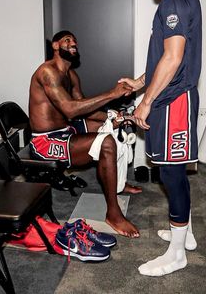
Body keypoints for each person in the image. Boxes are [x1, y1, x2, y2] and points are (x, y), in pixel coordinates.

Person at [119, 0, 202, 274]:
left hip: (173, 101)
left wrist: (146, 102)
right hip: (172, 95)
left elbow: (173, 58)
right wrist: (140, 82)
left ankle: (177, 254)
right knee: (173, 173)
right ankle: (188, 235)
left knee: (171, 173)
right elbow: (165, 57)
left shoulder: (174, 2)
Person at [29, 30, 140, 238]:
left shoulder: (70, 74)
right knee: (106, 143)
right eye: (67, 40)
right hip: (46, 142)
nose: (73, 44)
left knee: (110, 126)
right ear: (55, 46)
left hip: (66, 131)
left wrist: (114, 115)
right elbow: (70, 109)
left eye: (75, 41)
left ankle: (118, 182)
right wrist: (112, 93)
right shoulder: (47, 72)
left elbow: (84, 108)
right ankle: (113, 214)